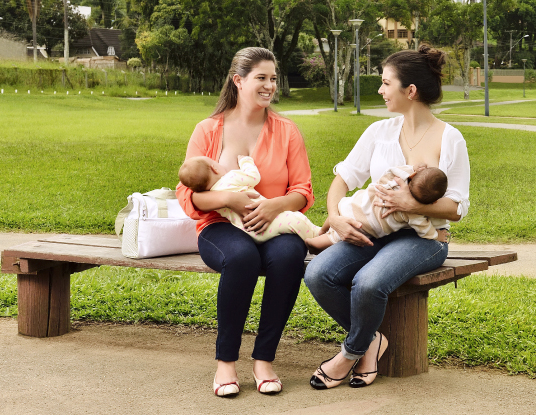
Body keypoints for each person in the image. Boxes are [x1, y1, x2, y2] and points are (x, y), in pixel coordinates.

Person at [304, 45, 470, 390]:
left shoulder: (449, 139)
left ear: (410, 91)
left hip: (423, 239)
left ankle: (349, 354)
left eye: (385, 83)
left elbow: (456, 208)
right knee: (319, 273)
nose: (380, 90)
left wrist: (410, 204)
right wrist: (334, 217)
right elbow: (344, 178)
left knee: (368, 281)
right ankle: (372, 340)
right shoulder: (379, 132)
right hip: (373, 230)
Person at [175, 47, 314, 397]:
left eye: (273, 78)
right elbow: (188, 195)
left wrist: (273, 206)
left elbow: (303, 190)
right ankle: (225, 363)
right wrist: (229, 199)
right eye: (261, 78)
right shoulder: (208, 130)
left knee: (287, 257)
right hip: (220, 227)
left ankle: (264, 359)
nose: (269, 86)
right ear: (238, 81)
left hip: (274, 222)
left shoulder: (286, 131)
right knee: (242, 258)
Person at [304, 164, 448, 254]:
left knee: (341, 210)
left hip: (355, 203)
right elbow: (424, 230)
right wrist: (437, 235)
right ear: (434, 201)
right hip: (362, 224)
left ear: (414, 175)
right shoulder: (412, 213)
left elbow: (394, 169)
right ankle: (312, 243)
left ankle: (321, 230)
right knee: (333, 238)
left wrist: (414, 169)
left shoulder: (398, 175)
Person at [178, 155, 320, 243]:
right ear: (214, 168)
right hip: (266, 221)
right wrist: (246, 161)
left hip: (251, 232)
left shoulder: (213, 199)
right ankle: (316, 237)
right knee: (294, 219)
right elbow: (253, 177)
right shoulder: (231, 178)